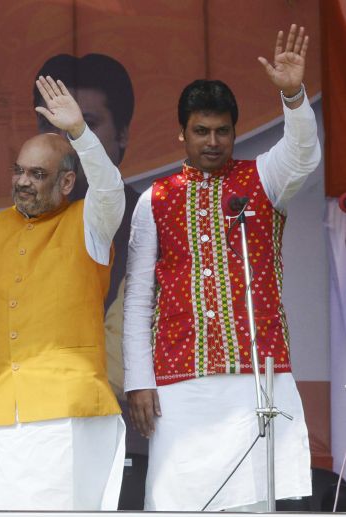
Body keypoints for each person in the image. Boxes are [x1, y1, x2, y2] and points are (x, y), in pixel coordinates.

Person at [123, 25, 320, 511]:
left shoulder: (264, 179)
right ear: (182, 133)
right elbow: (138, 301)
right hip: (180, 385)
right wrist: (137, 380)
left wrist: (293, 96)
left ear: (234, 130)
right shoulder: (156, 199)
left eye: (222, 131)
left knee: (257, 503)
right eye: (201, 131)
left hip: (258, 379)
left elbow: (302, 155)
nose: (213, 142)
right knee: (178, 502)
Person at [0, 76, 126, 510]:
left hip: (65, 415)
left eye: (38, 174)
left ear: (67, 183)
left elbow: (110, 189)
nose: (23, 182)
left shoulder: (90, 222)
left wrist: (81, 134)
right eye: (19, 171)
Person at [34, 53, 138, 398]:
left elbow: (124, 357)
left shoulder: (149, 217)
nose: (68, 137)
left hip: (112, 413)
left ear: (122, 134)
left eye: (85, 124)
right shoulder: (4, 228)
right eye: (53, 124)